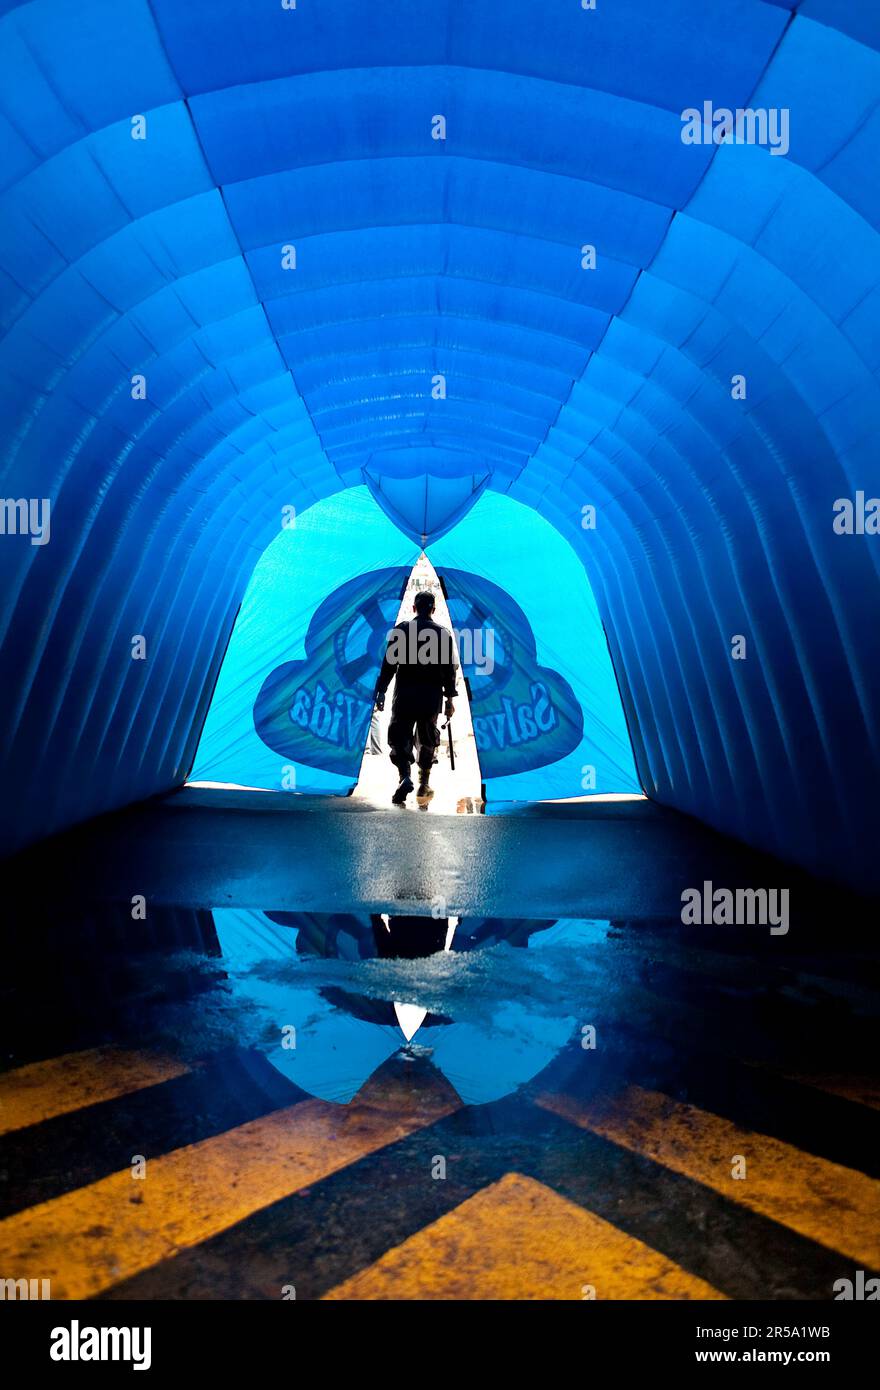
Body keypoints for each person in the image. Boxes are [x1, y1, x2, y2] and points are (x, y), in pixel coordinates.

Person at [375, 588, 457, 804]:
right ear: (433, 609)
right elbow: (449, 671)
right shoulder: (443, 634)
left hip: (404, 695)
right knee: (427, 739)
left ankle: (405, 777)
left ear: (414, 608)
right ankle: (423, 783)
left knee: (400, 738)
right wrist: (449, 700)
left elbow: (389, 664)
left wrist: (381, 690)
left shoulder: (402, 630)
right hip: (431, 697)